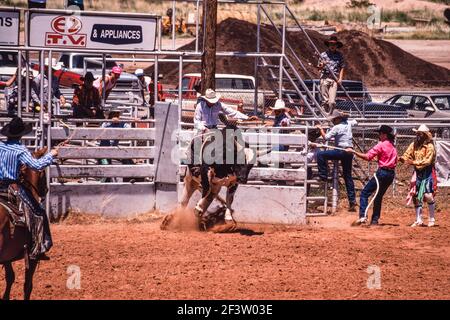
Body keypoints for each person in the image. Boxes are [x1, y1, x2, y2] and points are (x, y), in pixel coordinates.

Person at [0, 116, 59, 260]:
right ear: (21, 135)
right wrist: (51, 154)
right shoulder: (20, 150)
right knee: (38, 212)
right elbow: (37, 165)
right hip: (11, 188)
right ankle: (40, 246)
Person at [347, 125, 398, 226]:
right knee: (378, 196)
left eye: (380, 134)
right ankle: (374, 220)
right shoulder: (393, 146)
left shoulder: (381, 145)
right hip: (391, 174)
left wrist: (353, 152)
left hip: (382, 173)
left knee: (365, 193)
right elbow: (394, 159)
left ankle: (363, 217)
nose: (379, 135)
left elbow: (367, 157)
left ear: (384, 135)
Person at [316, 110, 357, 211]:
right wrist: (346, 116)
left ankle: (323, 176)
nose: (333, 121)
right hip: (349, 151)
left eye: (334, 119)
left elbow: (326, 138)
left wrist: (321, 129)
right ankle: (352, 201)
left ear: (338, 119)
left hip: (341, 150)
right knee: (348, 176)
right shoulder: (348, 124)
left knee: (320, 154)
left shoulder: (337, 127)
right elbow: (356, 121)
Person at [400, 124, 437, 227]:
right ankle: (418, 219)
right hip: (417, 172)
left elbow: (427, 161)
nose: (418, 135)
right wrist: (402, 158)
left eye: (420, 134)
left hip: (427, 172)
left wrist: (413, 162)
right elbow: (407, 154)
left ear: (425, 135)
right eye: (417, 134)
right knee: (416, 196)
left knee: (428, 195)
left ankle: (432, 218)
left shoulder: (430, 146)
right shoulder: (414, 144)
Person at [317, 35, 345, 114]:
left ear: (336, 46)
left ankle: (331, 116)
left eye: (334, 44)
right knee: (325, 101)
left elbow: (342, 67)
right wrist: (323, 65)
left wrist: (340, 78)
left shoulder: (340, 55)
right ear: (328, 45)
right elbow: (319, 68)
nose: (332, 46)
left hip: (334, 80)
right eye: (331, 44)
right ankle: (325, 117)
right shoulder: (323, 55)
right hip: (325, 78)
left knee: (332, 102)